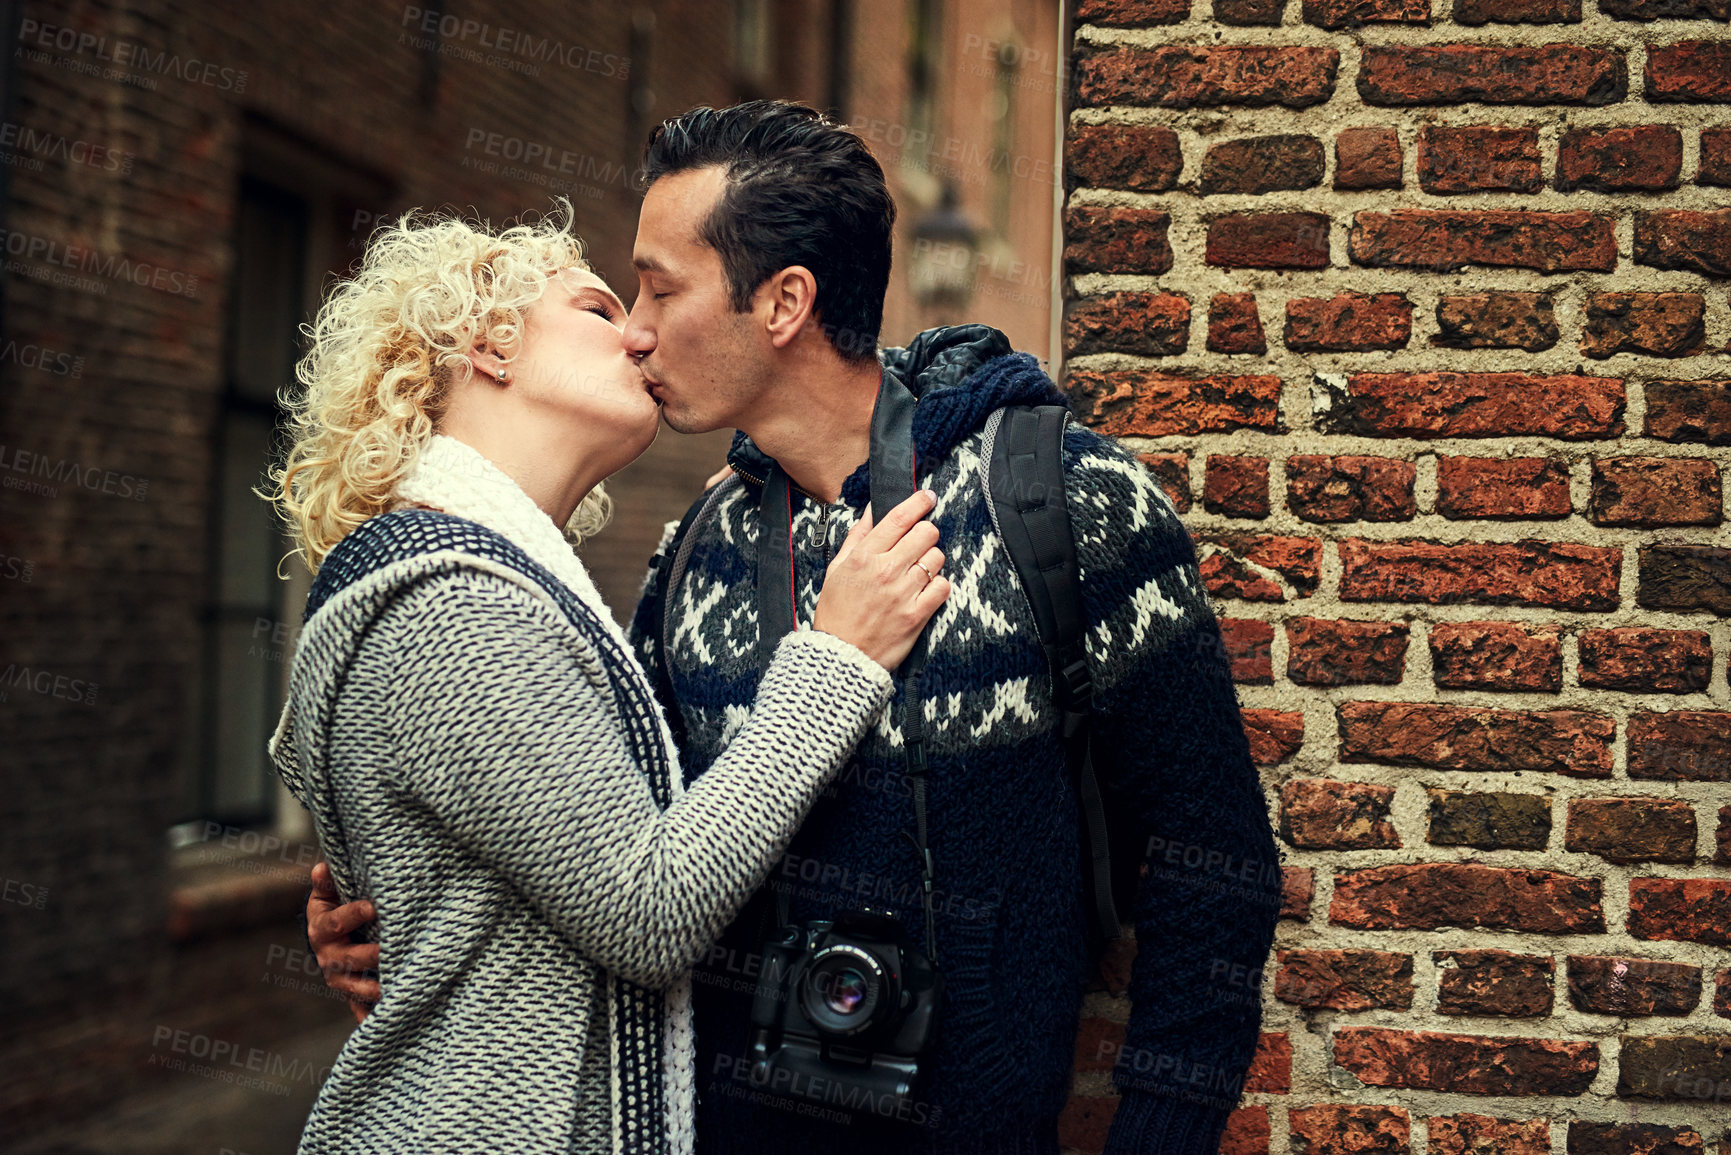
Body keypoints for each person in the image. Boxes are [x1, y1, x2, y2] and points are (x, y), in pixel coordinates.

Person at [311, 100, 1281, 1155]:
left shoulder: (1061, 500)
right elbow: (624, 866)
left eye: (660, 287)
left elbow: (1208, 869)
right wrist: (403, 918)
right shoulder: (692, 555)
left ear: (783, 303)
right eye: (621, 295)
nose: (635, 327)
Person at [268, 203, 952, 1154]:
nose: (638, 332)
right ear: (490, 346)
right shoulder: (449, 604)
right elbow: (648, 909)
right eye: (598, 307)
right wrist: (835, 657)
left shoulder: (476, 579)